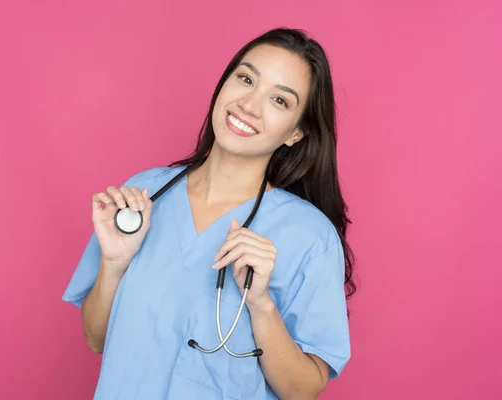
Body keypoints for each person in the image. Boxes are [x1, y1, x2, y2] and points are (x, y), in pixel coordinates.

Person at [62, 27, 357, 400]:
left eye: (279, 101)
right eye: (245, 78)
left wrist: (260, 304)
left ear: (296, 134)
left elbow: (304, 390)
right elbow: (95, 338)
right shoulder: (145, 193)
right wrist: (114, 262)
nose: (249, 105)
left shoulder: (309, 237)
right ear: (224, 84)